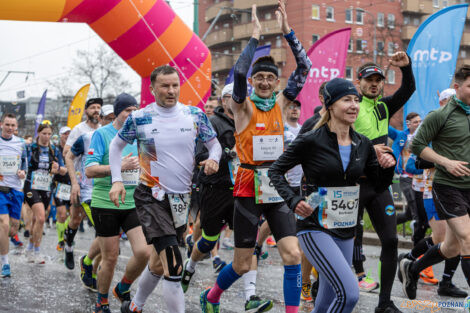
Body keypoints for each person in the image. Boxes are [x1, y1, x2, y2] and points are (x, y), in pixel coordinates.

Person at [199, 2, 312, 312]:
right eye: (259, 77)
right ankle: (211, 297)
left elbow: (305, 68)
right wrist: (254, 37)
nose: (264, 82)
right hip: (248, 186)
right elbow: (238, 71)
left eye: (269, 78)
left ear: (276, 82)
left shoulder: (282, 101)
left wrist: (287, 30)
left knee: (292, 254)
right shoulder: (242, 106)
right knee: (242, 263)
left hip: (276, 187)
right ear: (253, 81)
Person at [268, 78, 395, 313]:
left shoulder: (362, 143)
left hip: (345, 227)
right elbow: (275, 171)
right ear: (330, 105)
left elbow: (378, 185)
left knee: (325, 303)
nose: (354, 105)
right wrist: (293, 201)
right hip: (315, 226)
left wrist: (388, 166)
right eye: (347, 100)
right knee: (349, 294)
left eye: (356, 100)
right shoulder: (311, 140)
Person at [109, 65, 221, 313]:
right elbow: (116, 147)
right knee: (174, 266)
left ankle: (135, 305)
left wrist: (214, 159)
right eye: (165, 86)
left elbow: (215, 145)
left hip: (181, 199)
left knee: (160, 265)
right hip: (151, 196)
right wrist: (117, 180)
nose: (171, 91)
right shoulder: (140, 118)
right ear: (152, 89)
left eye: (175, 85)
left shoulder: (194, 115)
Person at [181, 82, 273, 312]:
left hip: (245, 191)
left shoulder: (254, 122)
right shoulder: (212, 123)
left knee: (248, 243)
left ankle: (250, 296)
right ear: (224, 101)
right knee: (209, 240)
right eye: (234, 97)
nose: (239, 101)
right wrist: (224, 155)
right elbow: (201, 154)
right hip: (216, 189)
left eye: (243, 97)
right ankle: (190, 266)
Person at [352, 51, 415, 312]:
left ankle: (384, 302)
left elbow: (408, 88)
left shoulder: (384, 106)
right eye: (369, 80)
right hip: (352, 184)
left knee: (390, 241)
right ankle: (329, 290)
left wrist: (406, 67)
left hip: (378, 186)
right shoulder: (351, 105)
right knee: (342, 242)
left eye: (378, 80)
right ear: (359, 83)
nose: (374, 84)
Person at [400, 65, 470, 300]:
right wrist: (445, 162)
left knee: (452, 247)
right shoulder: (440, 115)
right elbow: (416, 146)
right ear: (457, 87)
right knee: (468, 239)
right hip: (448, 186)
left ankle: (413, 268)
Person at [84, 93, 150, 313]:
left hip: (133, 202)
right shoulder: (102, 134)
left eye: (135, 111)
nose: (132, 115)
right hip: (105, 202)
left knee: (144, 252)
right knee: (110, 258)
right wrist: (119, 167)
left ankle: (123, 287)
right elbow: (90, 170)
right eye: (127, 111)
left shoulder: (140, 134)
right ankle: (102, 301)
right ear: (116, 113)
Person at [398, 153, 467, 297]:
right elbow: (411, 165)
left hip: (462, 193)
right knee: (443, 239)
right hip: (435, 192)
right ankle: (410, 260)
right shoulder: (432, 135)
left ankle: (413, 265)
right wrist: (443, 161)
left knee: (453, 244)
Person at [63, 97, 102, 269]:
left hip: (99, 184)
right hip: (81, 182)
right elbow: (67, 153)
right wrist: (74, 182)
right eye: (93, 107)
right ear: (86, 111)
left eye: (98, 108)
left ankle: (93, 261)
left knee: (100, 224)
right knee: (76, 219)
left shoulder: (103, 130)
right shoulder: (79, 130)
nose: (96, 110)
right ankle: (69, 246)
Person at [25, 122, 67, 264]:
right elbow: (22, 165)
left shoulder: (54, 150)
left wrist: (58, 168)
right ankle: (37, 252)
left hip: (46, 187)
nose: (47, 136)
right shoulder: (30, 148)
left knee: (37, 220)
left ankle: (30, 247)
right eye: (44, 134)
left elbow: (64, 170)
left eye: (49, 134)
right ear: (39, 133)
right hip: (31, 185)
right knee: (42, 218)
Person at [389, 113, 425, 243]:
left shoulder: (424, 135)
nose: (419, 124)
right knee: (416, 210)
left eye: (420, 121)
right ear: (408, 124)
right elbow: (386, 128)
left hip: (420, 177)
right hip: (406, 177)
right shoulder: (402, 136)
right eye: (415, 122)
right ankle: (417, 241)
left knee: (409, 214)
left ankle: (388, 224)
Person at [0, 113, 27, 277]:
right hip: (1, 189)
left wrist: (23, 172)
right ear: (1, 124)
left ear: (16, 127)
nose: (10, 128)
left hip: (15, 190)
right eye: (7, 124)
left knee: (13, 228)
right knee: (3, 224)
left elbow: (24, 163)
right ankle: (5, 262)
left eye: (13, 125)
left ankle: (5, 240)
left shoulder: (21, 143)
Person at [54, 126, 72, 251]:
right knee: (61, 214)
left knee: (73, 214)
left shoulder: (74, 148)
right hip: (60, 185)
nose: (66, 136)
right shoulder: (55, 150)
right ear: (60, 135)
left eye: (69, 134)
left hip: (73, 185)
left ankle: (67, 234)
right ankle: (61, 240)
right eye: (64, 134)